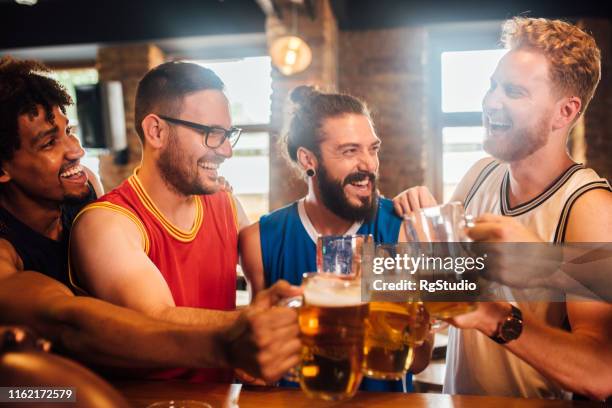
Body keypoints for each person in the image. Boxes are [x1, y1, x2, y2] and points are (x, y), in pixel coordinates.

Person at [0, 56, 300, 384]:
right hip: (37, 394)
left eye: (68, 131)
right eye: (48, 143)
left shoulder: (82, 187)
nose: (76, 150)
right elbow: (67, 322)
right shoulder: (8, 250)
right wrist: (232, 337)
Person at [393, 18, 612, 400]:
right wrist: (411, 251)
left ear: (566, 111)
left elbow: (601, 371)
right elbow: (443, 289)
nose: (491, 100)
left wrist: (493, 315)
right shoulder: (480, 175)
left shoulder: (588, 206)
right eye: (493, 85)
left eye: (513, 91)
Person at [239, 86, 433, 391]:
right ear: (308, 159)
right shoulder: (258, 239)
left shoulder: (403, 229)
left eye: (373, 149)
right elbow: (258, 359)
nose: (368, 165)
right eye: (350, 151)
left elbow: (419, 361)